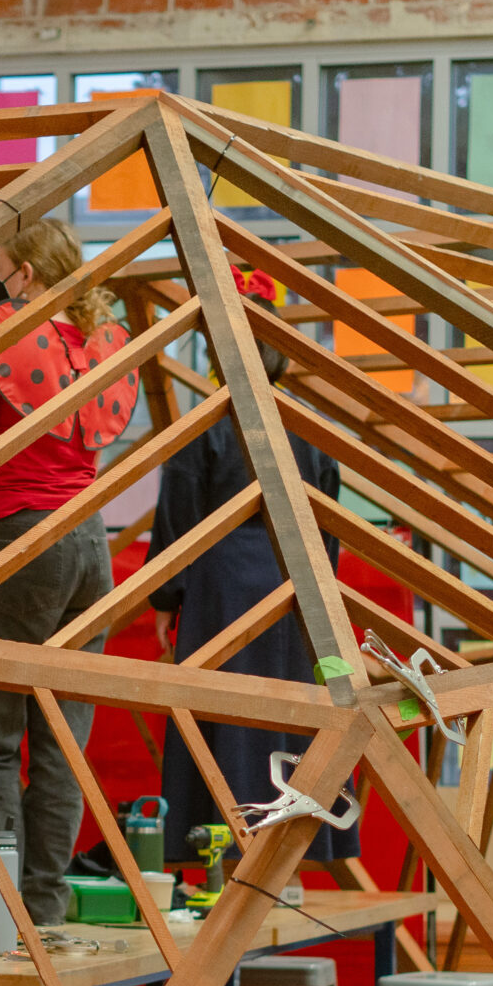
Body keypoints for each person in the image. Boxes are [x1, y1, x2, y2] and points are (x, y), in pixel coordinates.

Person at [0, 220, 140, 925]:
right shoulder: (97, 349)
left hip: (19, 533)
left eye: (0, 266)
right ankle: (46, 901)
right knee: (61, 736)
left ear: (25, 274)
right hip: (91, 544)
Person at [146, 270, 358, 869]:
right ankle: (286, 865)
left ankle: (223, 852)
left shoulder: (207, 429)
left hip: (221, 592)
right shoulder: (310, 435)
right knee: (287, 724)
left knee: (226, 723)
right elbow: (330, 532)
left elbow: (178, 527)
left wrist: (166, 603)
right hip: (297, 591)